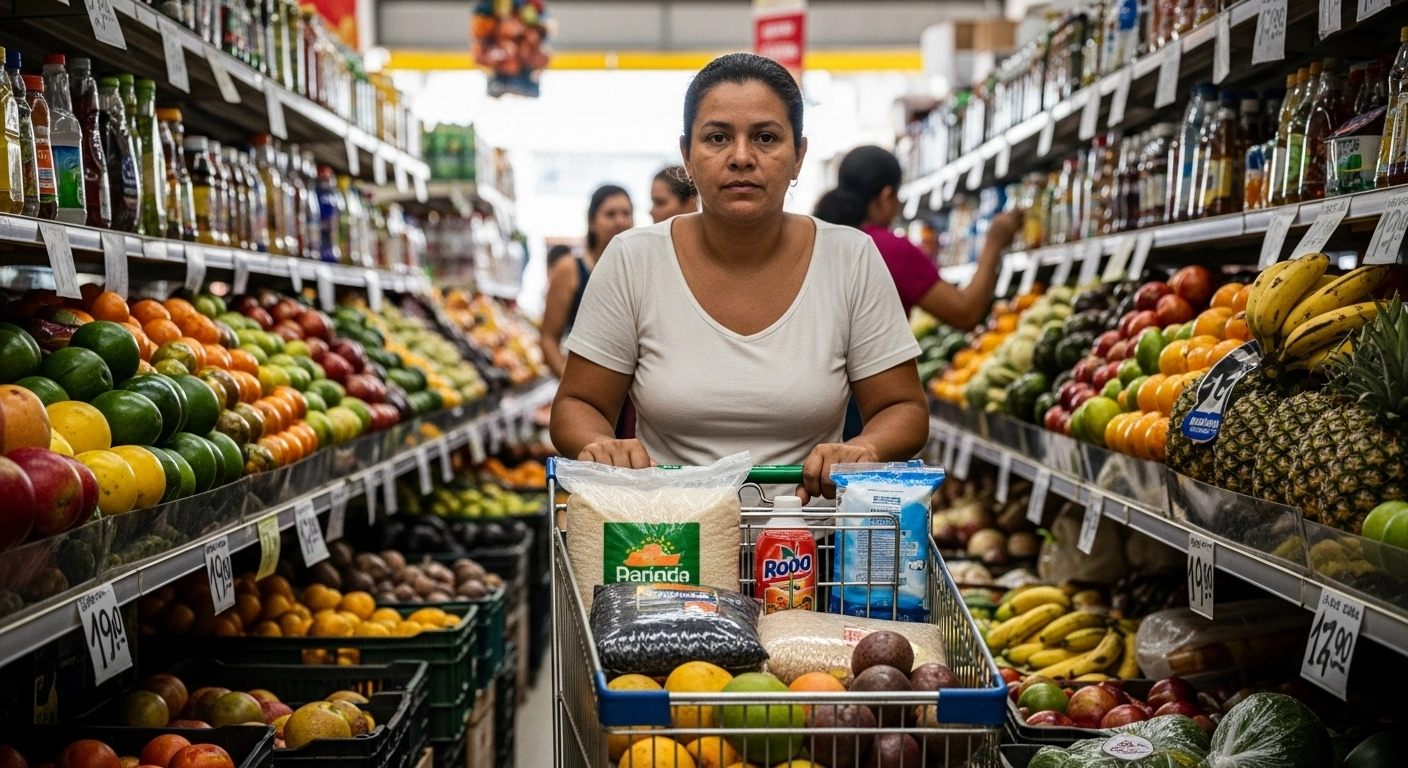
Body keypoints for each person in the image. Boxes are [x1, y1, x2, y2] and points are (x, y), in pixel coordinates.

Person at [550, 53, 928, 502]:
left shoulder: (849, 258)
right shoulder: (634, 260)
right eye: (717, 138)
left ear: (798, 156)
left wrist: (866, 446)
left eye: (766, 137)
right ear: (687, 156)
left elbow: (902, 407)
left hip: (808, 556)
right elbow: (578, 404)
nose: (742, 157)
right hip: (668, 550)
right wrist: (601, 445)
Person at [814, 145, 1020, 330]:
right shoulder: (886, 249)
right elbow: (964, 313)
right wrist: (994, 244)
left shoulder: (819, 238)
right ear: (886, 196)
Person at [539, 184, 634, 379]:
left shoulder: (639, 269)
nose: (620, 221)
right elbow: (548, 338)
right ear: (591, 221)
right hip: (588, 386)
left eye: (626, 213)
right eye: (610, 214)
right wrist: (574, 391)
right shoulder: (570, 269)